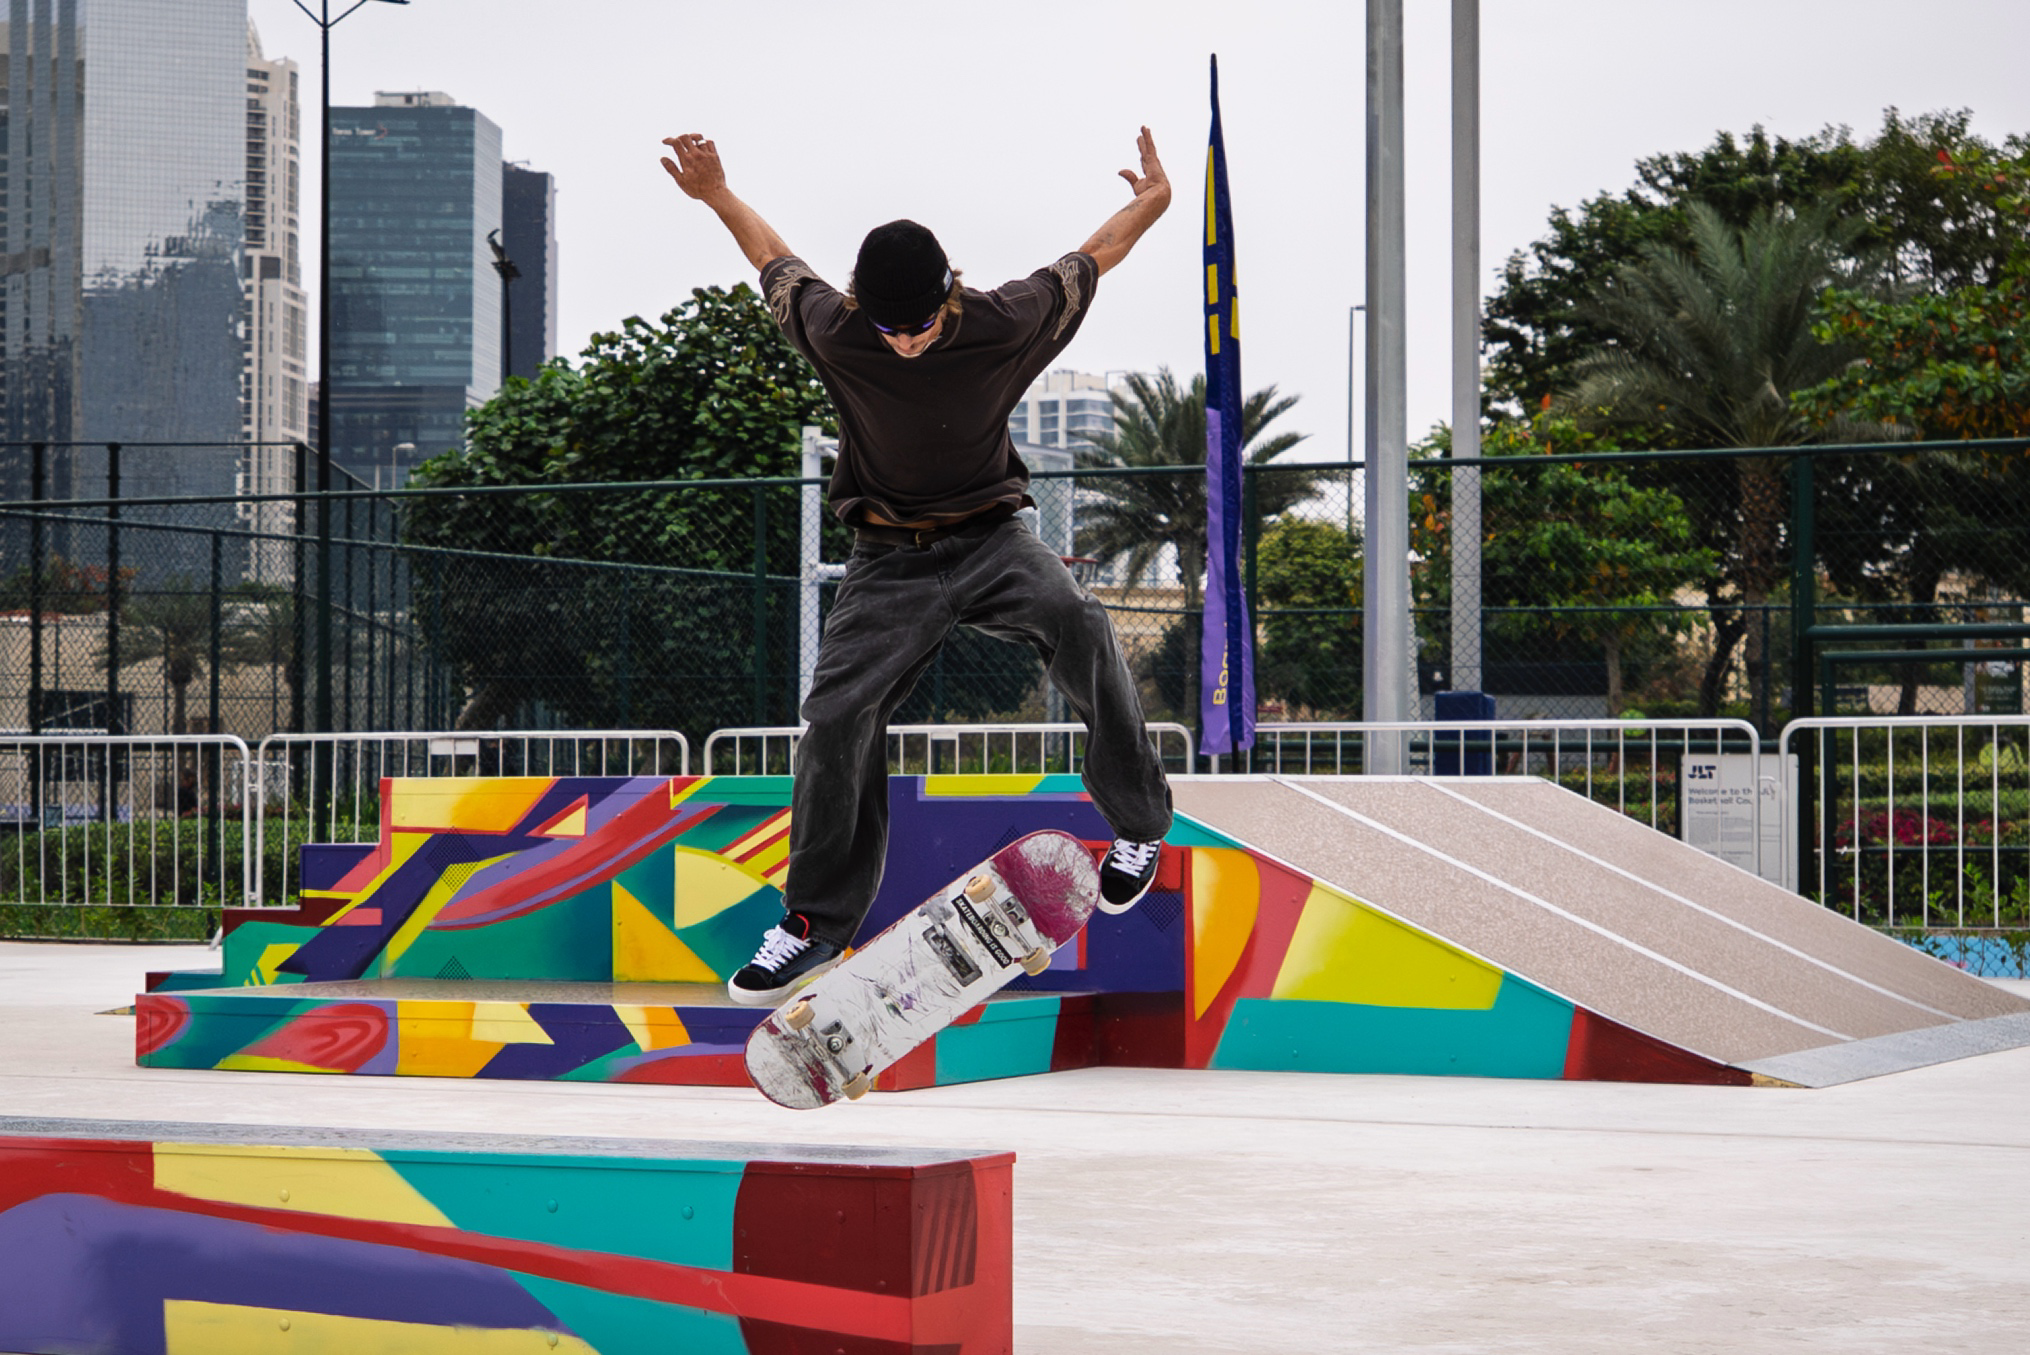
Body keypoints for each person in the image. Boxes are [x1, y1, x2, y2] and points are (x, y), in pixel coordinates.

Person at [661, 127, 1177, 1006]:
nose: (905, 343)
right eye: (890, 329)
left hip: (993, 539)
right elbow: (775, 258)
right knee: (833, 716)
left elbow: (1095, 255)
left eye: (924, 325)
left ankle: (1138, 822)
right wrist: (717, 194)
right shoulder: (834, 324)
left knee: (1079, 619)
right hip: (886, 560)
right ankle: (815, 923)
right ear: (862, 305)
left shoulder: (1009, 319)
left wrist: (1153, 200)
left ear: (952, 293)